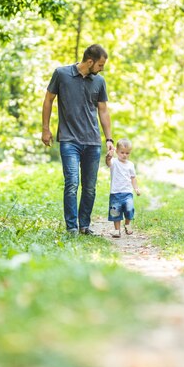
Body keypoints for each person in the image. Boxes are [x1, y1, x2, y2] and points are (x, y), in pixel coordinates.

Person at [41, 44, 113, 235]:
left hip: (92, 142)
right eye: (100, 65)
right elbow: (48, 100)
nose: (101, 69)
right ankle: (71, 227)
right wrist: (45, 129)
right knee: (72, 183)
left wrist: (109, 139)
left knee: (89, 187)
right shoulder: (61, 74)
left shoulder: (99, 81)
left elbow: (103, 111)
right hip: (69, 140)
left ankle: (84, 225)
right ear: (90, 61)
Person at [106, 138, 141, 238]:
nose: (124, 155)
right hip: (115, 193)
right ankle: (117, 230)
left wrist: (136, 188)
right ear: (116, 151)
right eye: (122, 152)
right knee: (115, 212)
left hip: (127, 193)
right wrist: (108, 157)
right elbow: (108, 162)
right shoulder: (114, 162)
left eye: (127, 153)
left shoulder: (130, 165)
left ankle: (127, 224)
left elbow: (133, 178)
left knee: (129, 209)